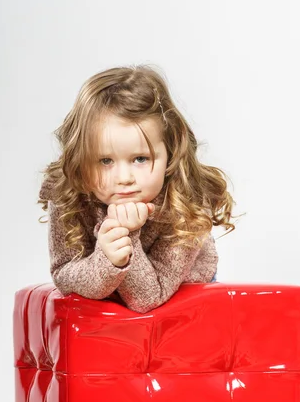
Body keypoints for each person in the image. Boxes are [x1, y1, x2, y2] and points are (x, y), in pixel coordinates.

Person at [38, 65, 241, 313]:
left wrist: (127, 236)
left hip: (181, 305)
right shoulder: (68, 193)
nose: (124, 178)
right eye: (105, 161)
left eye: (140, 159)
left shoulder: (187, 207)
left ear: (170, 152)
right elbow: (64, 274)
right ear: (81, 159)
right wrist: (107, 260)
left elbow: (148, 298)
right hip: (110, 305)